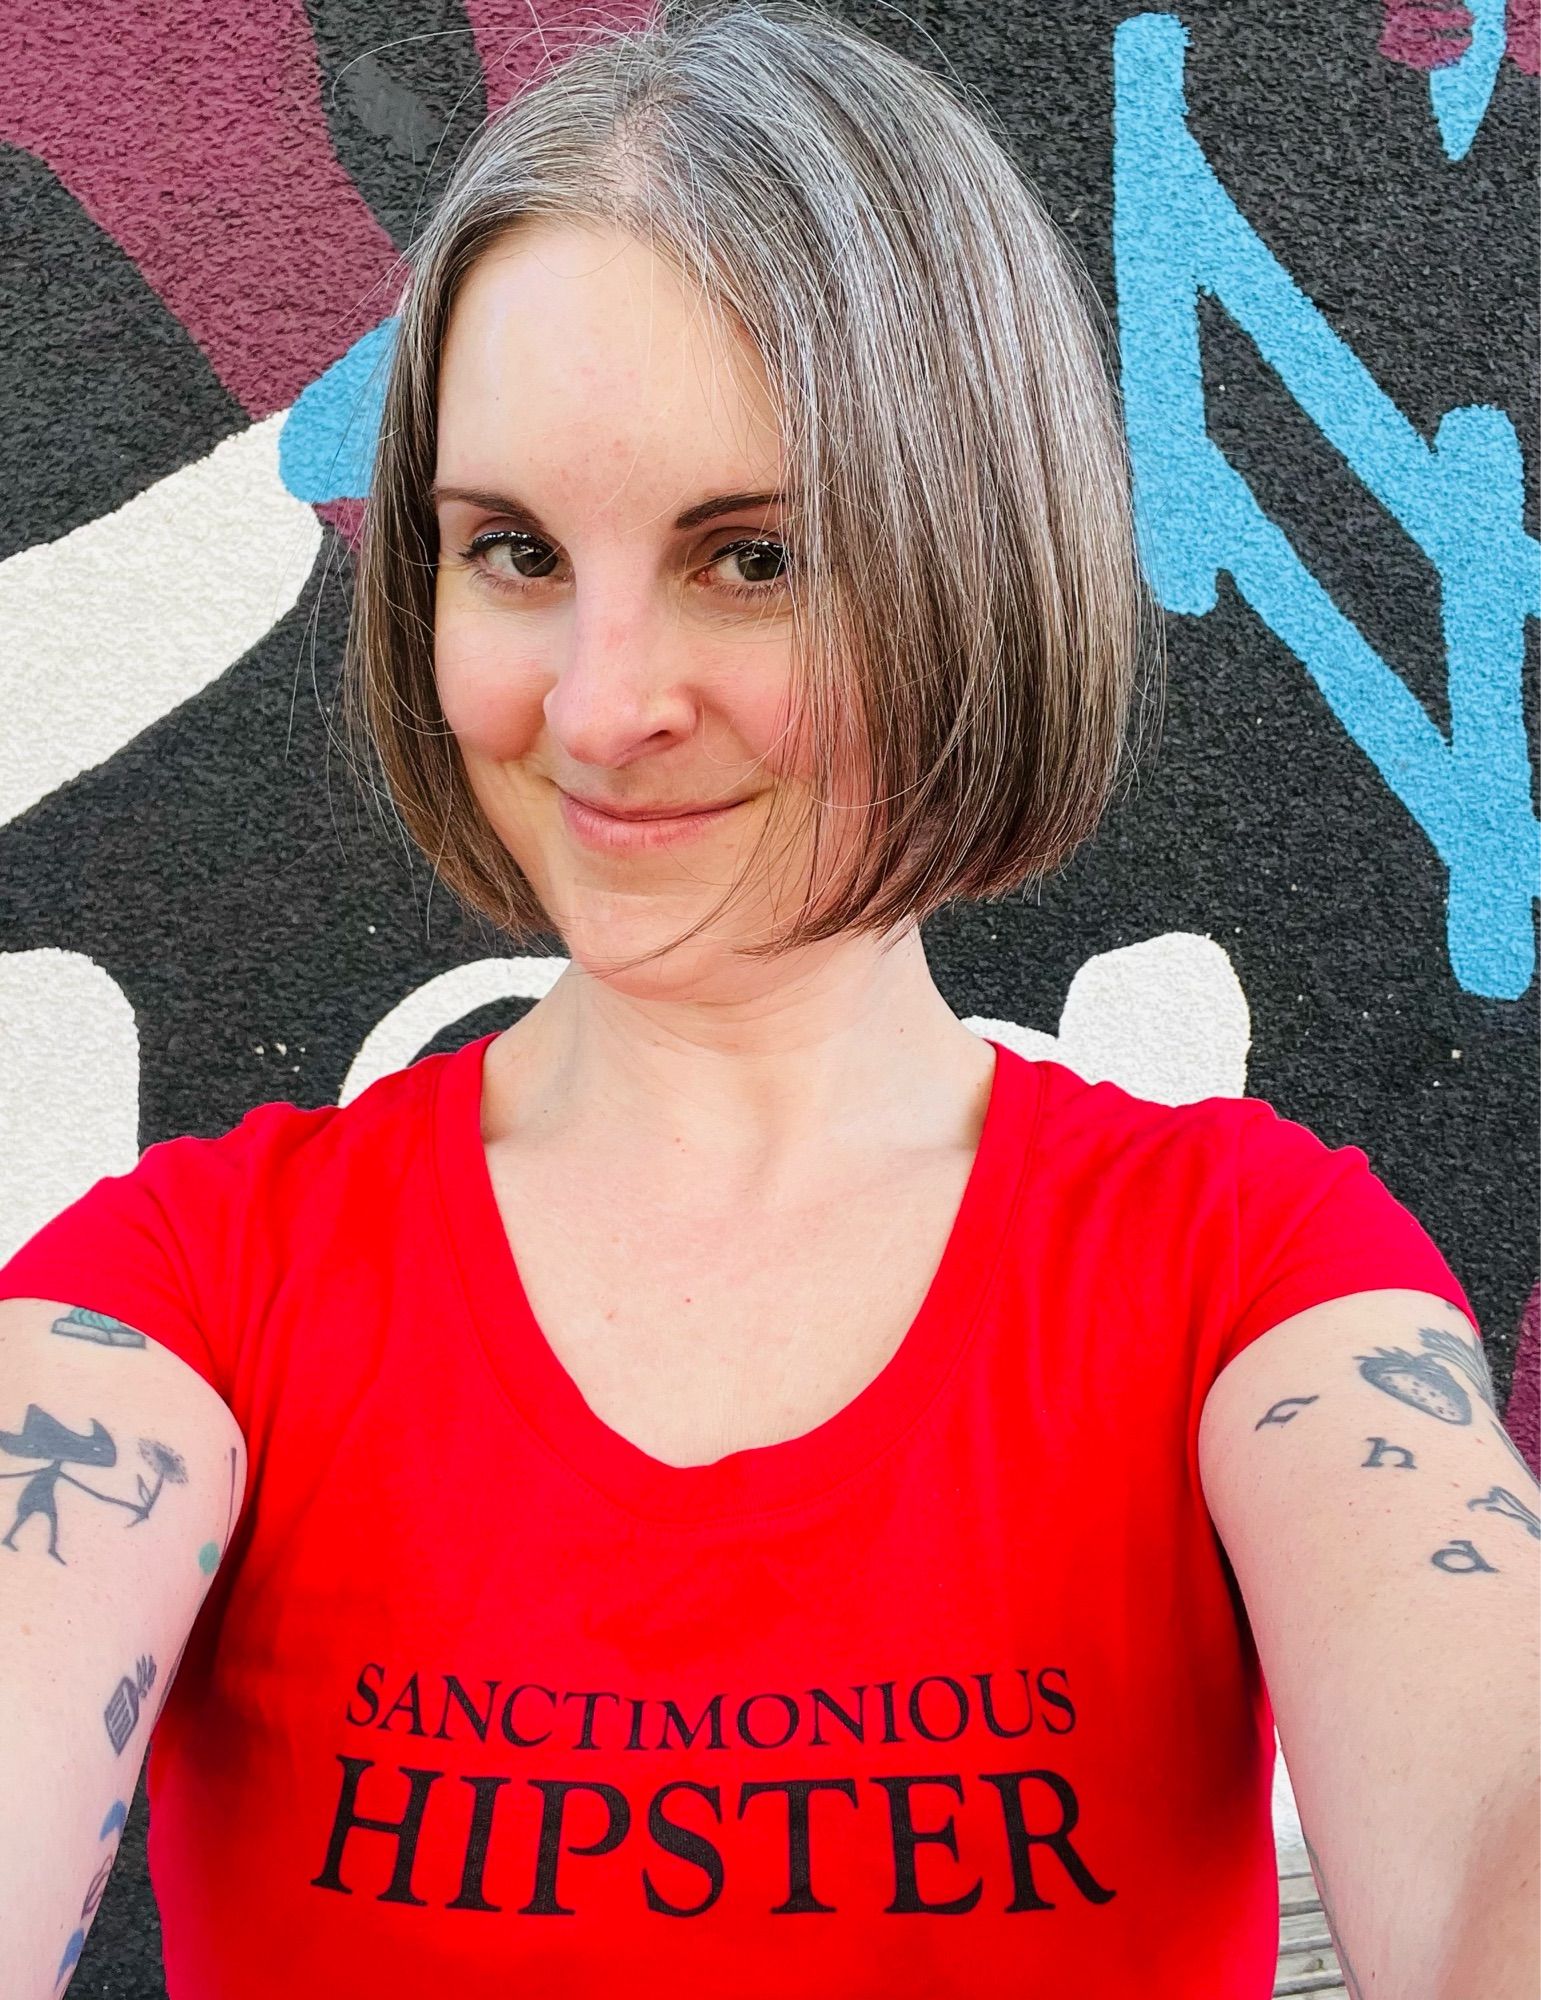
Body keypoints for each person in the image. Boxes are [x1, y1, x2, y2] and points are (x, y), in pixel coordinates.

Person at [1, 2, 1535, 1996]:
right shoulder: (187, 1296)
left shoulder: (1247, 1276)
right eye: (517, 551)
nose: (599, 701)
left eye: (753, 555)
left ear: (966, 558)